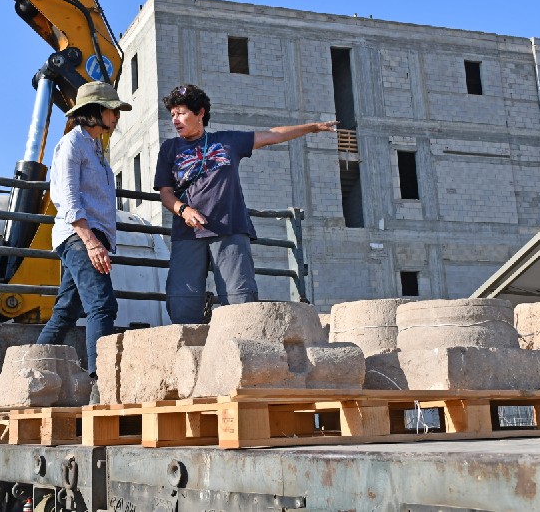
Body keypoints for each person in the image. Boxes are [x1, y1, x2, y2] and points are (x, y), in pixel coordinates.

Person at [154, 84, 337, 324]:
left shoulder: (228, 141)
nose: (175, 120)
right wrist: (183, 209)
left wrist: (312, 127)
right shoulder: (169, 148)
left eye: (181, 113)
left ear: (200, 113)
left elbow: (274, 134)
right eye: (172, 115)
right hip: (187, 234)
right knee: (182, 304)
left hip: (229, 229)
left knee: (239, 302)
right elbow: (165, 193)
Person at [36, 81, 131, 403]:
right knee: (102, 305)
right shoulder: (72, 143)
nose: (116, 117)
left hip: (88, 234)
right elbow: (67, 198)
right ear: (93, 114)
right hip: (79, 234)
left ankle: (32, 369)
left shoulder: (95, 147)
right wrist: (91, 242)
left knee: (66, 310)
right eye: (111, 110)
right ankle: (100, 384)